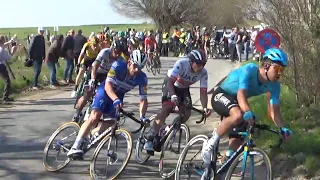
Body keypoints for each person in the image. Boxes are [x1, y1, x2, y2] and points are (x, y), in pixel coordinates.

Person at [201, 48, 293, 178]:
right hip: (222, 95)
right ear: (266, 65)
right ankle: (209, 144)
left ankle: (226, 163)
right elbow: (241, 94)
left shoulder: (274, 85)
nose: (280, 74)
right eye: (277, 69)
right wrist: (248, 111)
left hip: (238, 103)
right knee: (239, 114)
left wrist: (282, 127)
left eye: (282, 70)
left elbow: (274, 111)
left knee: (240, 136)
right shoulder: (249, 70)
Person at [67, 49, 149, 158]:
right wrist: (115, 99)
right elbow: (107, 85)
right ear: (129, 62)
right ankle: (75, 146)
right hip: (105, 91)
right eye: (135, 66)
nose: (137, 69)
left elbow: (143, 99)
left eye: (141, 67)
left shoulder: (142, 78)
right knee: (95, 116)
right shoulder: (118, 65)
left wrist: (142, 116)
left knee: (110, 123)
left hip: (118, 96)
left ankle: (90, 136)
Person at [144, 49, 212, 155]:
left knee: (187, 112)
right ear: (191, 62)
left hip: (183, 89)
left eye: (203, 64)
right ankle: (150, 136)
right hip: (170, 84)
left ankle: (168, 129)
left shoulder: (203, 73)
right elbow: (170, 83)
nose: (201, 67)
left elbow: (203, 92)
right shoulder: (182, 63)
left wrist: (204, 108)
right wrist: (173, 95)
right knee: (167, 108)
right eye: (198, 64)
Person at [72, 40, 127, 122]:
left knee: (105, 92)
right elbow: (95, 66)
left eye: (120, 53)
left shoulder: (120, 60)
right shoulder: (105, 52)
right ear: (112, 48)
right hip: (95, 72)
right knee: (88, 92)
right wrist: (93, 79)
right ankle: (77, 113)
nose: (117, 54)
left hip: (105, 75)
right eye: (116, 52)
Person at [0, 35, 13, 102]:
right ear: (3, 41)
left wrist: (9, 42)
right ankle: (5, 97)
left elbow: (3, 45)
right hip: (1, 66)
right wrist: (13, 50)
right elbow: (9, 58)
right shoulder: (2, 50)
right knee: (7, 81)